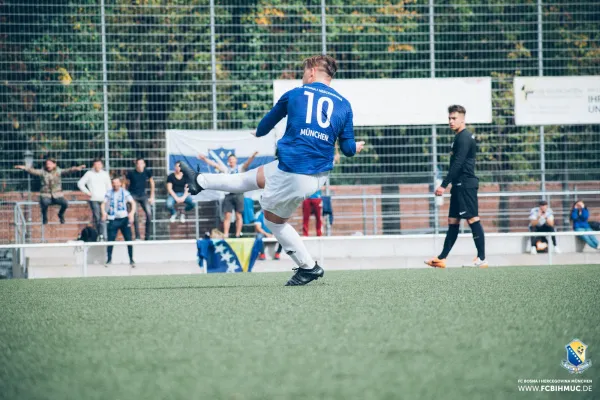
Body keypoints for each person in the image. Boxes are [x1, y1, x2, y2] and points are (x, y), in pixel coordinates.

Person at [181, 55, 365, 286]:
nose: (301, 76)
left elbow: (265, 125)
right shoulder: (344, 105)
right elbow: (347, 149)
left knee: (273, 222)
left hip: (294, 171)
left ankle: (308, 267)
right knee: (248, 179)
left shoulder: (295, 94)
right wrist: (356, 147)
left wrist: (258, 133)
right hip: (316, 175)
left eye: (302, 72)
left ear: (311, 72)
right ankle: (200, 180)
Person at [425, 105, 487, 268]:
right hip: (458, 186)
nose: (451, 121)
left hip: (466, 185)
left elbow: (458, 163)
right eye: (449, 118)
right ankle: (442, 258)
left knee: (473, 218)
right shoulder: (458, 137)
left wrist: (443, 185)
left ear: (462, 119)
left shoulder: (464, 137)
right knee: (453, 221)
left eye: (454, 118)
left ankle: (482, 258)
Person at [198, 151, 258, 237]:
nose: (231, 161)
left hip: (239, 194)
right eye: (230, 159)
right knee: (227, 216)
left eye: (233, 159)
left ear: (236, 160)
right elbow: (215, 165)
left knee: (238, 215)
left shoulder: (240, 168)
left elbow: (247, 163)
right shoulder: (226, 170)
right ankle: (226, 234)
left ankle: (238, 234)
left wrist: (253, 155)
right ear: (228, 161)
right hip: (229, 194)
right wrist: (204, 159)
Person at [15, 157, 85, 224]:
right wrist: (25, 168)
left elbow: (68, 170)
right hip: (46, 195)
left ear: (54, 164)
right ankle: (44, 216)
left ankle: (61, 214)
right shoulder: (43, 172)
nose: (48, 165)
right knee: (44, 203)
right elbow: (34, 171)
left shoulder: (59, 171)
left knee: (65, 203)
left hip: (57, 195)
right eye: (47, 164)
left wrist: (77, 168)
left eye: (50, 164)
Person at [101, 176, 136, 267]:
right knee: (110, 240)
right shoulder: (109, 193)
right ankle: (109, 259)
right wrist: (104, 213)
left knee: (129, 240)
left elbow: (133, 203)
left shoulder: (125, 192)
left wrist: (131, 213)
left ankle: (131, 260)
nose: (115, 185)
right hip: (113, 219)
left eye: (117, 183)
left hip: (124, 219)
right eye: (114, 183)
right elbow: (103, 203)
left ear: (120, 183)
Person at [77, 158, 111, 240]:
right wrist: (88, 192)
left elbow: (109, 187)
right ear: (93, 165)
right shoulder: (89, 173)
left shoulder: (105, 174)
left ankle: (104, 236)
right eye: (96, 164)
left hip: (104, 199)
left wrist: (108, 197)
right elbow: (80, 183)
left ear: (102, 165)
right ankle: (101, 235)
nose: (98, 166)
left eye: (99, 164)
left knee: (103, 217)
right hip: (94, 199)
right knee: (97, 218)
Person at [126, 158, 155, 240]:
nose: (140, 165)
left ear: (144, 164)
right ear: (136, 165)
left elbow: (152, 182)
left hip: (143, 195)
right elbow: (125, 183)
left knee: (149, 214)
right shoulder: (131, 173)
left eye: (141, 164)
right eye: (138, 164)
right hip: (133, 195)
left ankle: (147, 236)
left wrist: (152, 196)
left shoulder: (147, 172)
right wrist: (126, 196)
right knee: (135, 215)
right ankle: (137, 236)